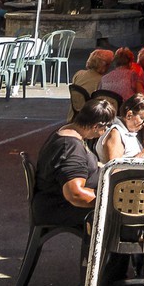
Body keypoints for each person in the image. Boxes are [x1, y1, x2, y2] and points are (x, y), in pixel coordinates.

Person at [33, 96, 118, 230]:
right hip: (60, 208)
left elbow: (84, 165)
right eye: (106, 127)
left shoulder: (69, 131)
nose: (105, 131)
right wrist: (112, 200)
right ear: (96, 126)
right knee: (122, 215)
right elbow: (75, 194)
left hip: (55, 203)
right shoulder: (71, 149)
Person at [99, 92, 144, 163]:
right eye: (143, 119)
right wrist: (143, 154)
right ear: (129, 115)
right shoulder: (115, 134)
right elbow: (114, 169)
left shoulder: (128, 131)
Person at [68, 48, 115, 112]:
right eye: (109, 64)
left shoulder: (79, 74)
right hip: (93, 114)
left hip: (75, 113)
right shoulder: (104, 80)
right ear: (104, 65)